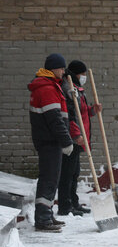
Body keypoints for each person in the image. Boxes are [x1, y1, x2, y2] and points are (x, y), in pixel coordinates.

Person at [28, 53, 74, 232]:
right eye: (61, 68)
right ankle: (43, 219)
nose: (63, 72)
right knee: (48, 180)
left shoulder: (50, 85)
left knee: (50, 179)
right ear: (53, 69)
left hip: (49, 140)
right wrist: (66, 141)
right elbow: (55, 119)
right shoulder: (47, 89)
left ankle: (46, 214)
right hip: (50, 141)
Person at [57, 60, 102, 216]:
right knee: (67, 173)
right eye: (83, 74)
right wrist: (76, 135)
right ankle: (65, 205)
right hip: (72, 137)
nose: (84, 77)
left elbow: (80, 112)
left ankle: (73, 202)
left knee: (74, 172)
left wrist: (92, 111)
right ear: (76, 74)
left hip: (80, 136)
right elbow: (69, 115)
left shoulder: (77, 89)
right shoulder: (68, 88)